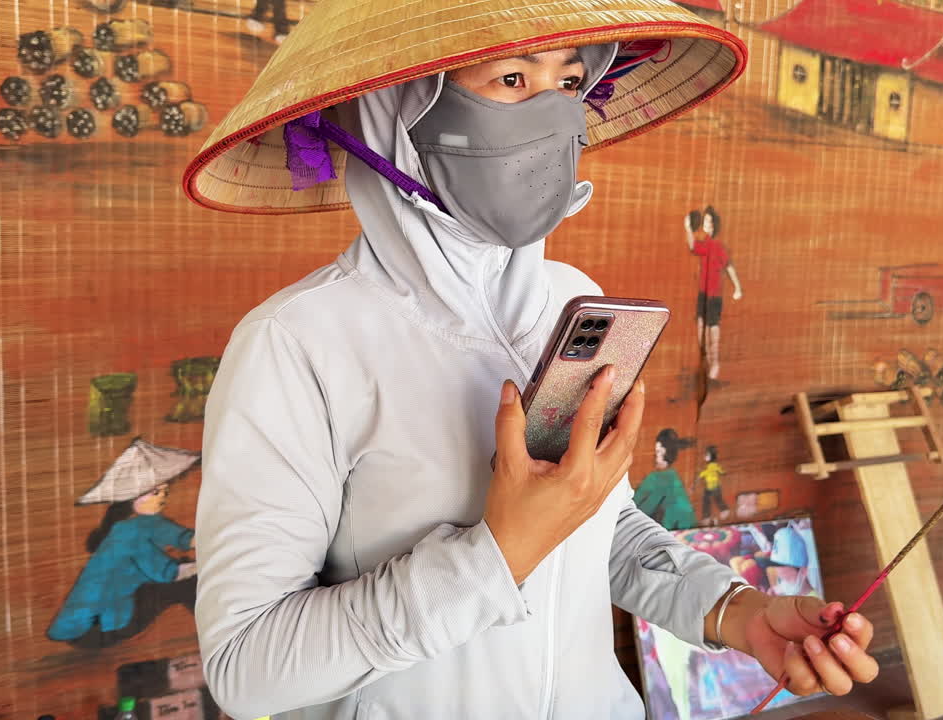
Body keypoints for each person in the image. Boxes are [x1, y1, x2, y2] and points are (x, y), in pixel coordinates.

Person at [185, 2, 878, 717]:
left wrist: (734, 611)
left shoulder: (571, 299)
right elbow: (248, 668)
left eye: (571, 82)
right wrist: (496, 554)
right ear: (398, 112)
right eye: (512, 78)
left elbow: (595, 527)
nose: (552, 115)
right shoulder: (297, 343)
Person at [47, 438, 200, 648]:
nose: (163, 496)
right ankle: (216, 633)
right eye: (155, 492)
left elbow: (183, 538)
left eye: (164, 490)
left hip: (109, 619)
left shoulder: (148, 521)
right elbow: (168, 573)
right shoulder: (127, 533)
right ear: (133, 499)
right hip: (98, 628)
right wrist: (206, 566)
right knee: (190, 581)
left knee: (190, 571)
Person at [685, 205, 743, 381]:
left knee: (712, 328)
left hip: (714, 294)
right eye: (705, 220)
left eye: (709, 221)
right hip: (703, 292)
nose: (706, 223)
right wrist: (687, 228)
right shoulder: (706, 244)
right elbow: (693, 246)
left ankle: (715, 363)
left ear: (714, 224)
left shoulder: (718, 247)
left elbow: (730, 267)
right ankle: (707, 361)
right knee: (701, 325)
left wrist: (738, 288)